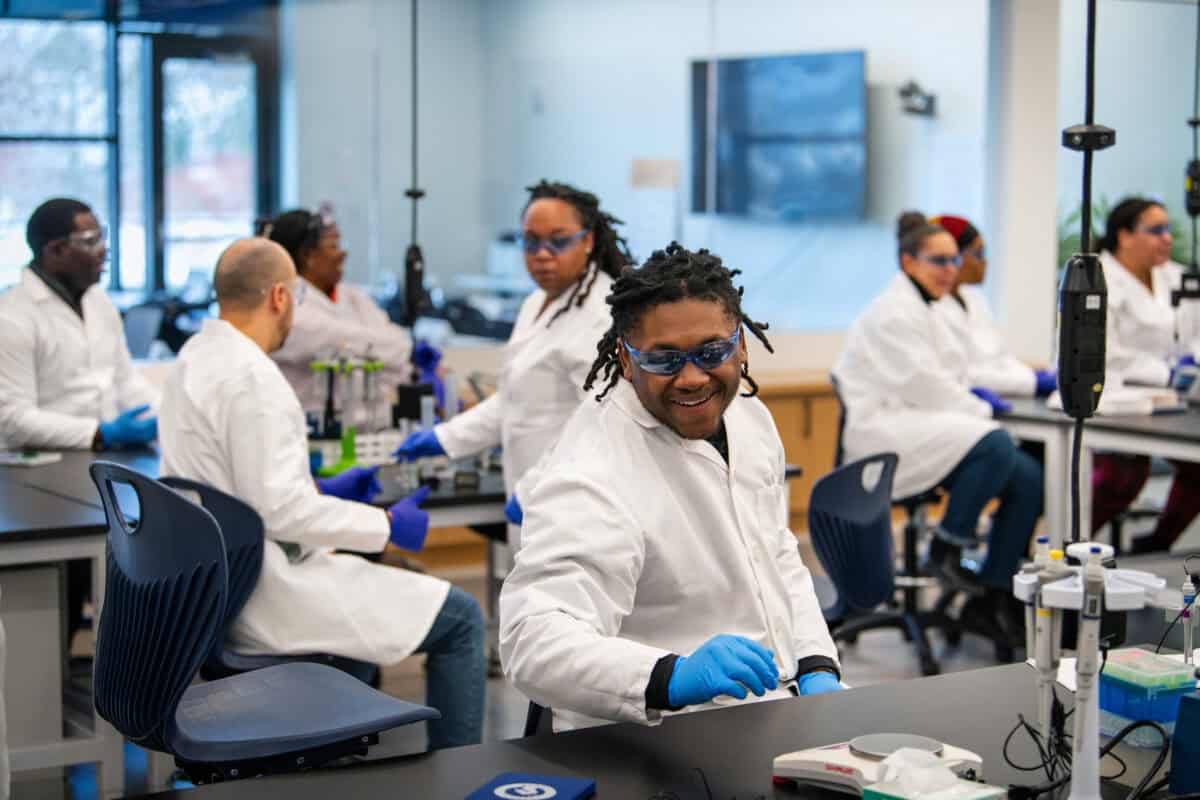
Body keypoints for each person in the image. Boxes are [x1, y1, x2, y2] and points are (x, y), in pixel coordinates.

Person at [158, 237, 484, 749]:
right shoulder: (254, 378)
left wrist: (329, 488)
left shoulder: (194, 358)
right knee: (463, 618)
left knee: (378, 629)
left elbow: (241, 489)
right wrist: (387, 526)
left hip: (214, 584)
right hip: (262, 589)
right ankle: (464, 778)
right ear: (281, 297)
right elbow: (281, 510)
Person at [500, 243, 841, 733]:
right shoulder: (594, 470)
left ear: (740, 344)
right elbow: (532, 640)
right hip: (655, 734)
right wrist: (669, 676)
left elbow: (777, 554)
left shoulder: (748, 416)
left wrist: (815, 663)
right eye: (664, 361)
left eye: (712, 352)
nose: (692, 377)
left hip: (772, 707)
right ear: (624, 357)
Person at [832, 212, 1042, 645]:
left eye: (953, 260)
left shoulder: (931, 305)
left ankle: (993, 588)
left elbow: (953, 374)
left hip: (922, 420)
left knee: (1029, 477)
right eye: (938, 261)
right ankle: (946, 546)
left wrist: (979, 399)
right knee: (996, 444)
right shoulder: (894, 312)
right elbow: (924, 385)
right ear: (908, 262)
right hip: (886, 429)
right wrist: (979, 408)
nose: (951, 270)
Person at [395, 180, 634, 547]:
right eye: (531, 241)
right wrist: (445, 438)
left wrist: (539, 485)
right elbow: (514, 400)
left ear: (588, 241)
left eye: (558, 240)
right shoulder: (538, 302)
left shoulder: (598, 315)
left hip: (572, 500)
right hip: (533, 492)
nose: (542, 254)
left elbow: (602, 420)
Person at [0, 197, 158, 451]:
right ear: (55, 251)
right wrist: (100, 432)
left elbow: (125, 380)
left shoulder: (99, 302)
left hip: (103, 455)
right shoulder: (11, 316)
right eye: (89, 241)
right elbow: (14, 419)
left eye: (102, 236)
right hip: (38, 465)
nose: (103, 250)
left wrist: (165, 416)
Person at [1092, 196, 1200, 552]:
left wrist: (1190, 365)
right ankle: (1069, 545)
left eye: (1167, 229)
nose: (1167, 238)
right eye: (1156, 230)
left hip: (1172, 400)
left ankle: (1155, 546)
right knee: (1122, 476)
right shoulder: (1098, 278)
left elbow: (1195, 334)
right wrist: (1164, 373)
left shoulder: (1175, 275)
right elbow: (1104, 352)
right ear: (1124, 236)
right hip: (1114, 396)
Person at [263, 207, 430, 428]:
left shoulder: (353, 297)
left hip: (374, 427)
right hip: (313, 433)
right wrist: (408, 352)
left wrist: (421, 374)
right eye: (333, 246)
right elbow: (336, 339)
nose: (343, 253)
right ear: (308, 255)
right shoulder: (287, 305)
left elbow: (388, 343)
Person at [931, 214, 1056, 397]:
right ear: (954, 256)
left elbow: (1000, 357)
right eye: (978, 254)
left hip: (1007, 390)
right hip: (976, 397)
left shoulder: (974, 298)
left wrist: (1032, 374)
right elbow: (964, 375)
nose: (985, 262)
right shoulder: (935, 308)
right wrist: (1031, 382)